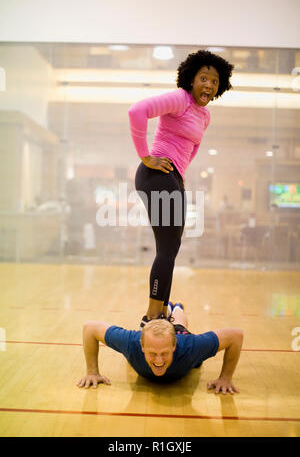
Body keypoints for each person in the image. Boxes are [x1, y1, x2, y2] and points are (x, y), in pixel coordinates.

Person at [128, 50, 234, 327]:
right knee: (166, 249)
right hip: (157, 174)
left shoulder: (204, 115)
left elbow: (192, 147)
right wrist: (145, 155)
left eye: (215, 81)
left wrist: (182, 176)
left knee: (171, 249)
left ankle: (162, 311)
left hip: (172, 177)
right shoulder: (180, 99)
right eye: (204, 78)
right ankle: (151, 316)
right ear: (191, 79)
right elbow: (137, 111)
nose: (209, 85)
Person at [77, 303, 243, 394]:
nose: (158, 360)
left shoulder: (190, 347)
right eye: (152, 353)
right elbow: (90, 328)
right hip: (149, 336)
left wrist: (225, 378)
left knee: (179, 325)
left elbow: (235, 336)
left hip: (179, 334)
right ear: (142, 347)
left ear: (174, 346)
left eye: (165, 353)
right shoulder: (131, 343)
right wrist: (92, 372)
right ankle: (168, 309)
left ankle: (176, 308)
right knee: (151, 327)